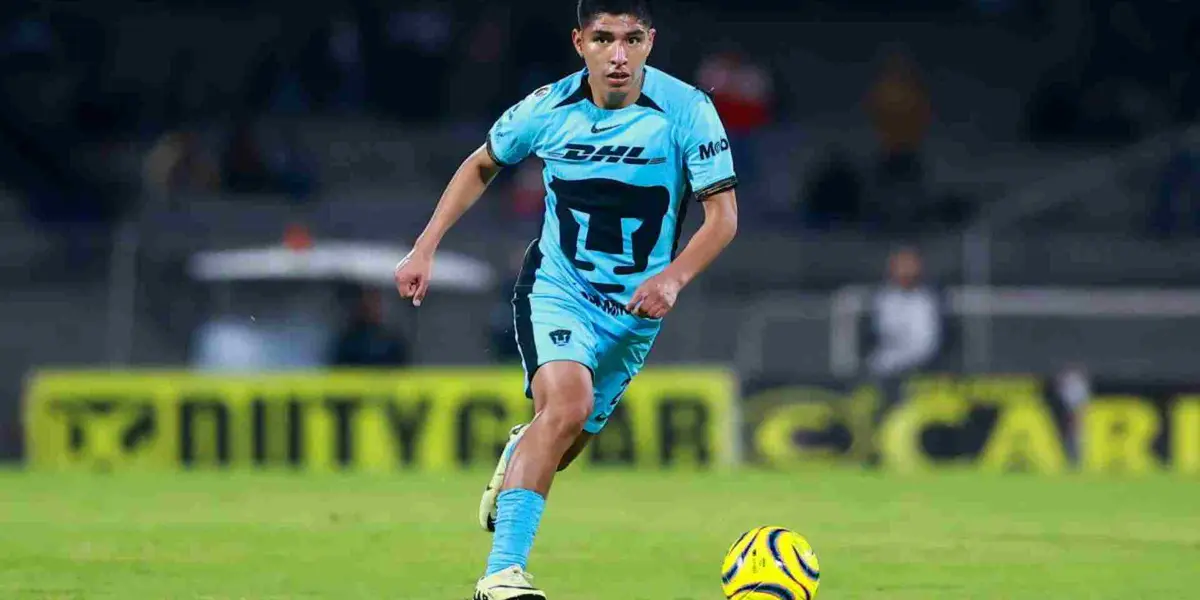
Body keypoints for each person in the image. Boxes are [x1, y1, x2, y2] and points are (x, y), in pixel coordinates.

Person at [392, 2, 739, 598]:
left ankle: (522, 447)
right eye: (604, 38)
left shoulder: (687, 111)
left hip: (634, 314)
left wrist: (673, 278)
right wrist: (424, 247)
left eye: (632, 39)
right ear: (580, 42)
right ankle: (501, 576)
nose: (618, 55)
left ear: (650, 42)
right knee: (569, 407)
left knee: (564, 438)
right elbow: (482, 164)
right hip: (558, 290)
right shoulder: (547, 107)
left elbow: (723, 217)